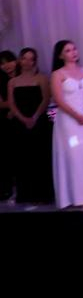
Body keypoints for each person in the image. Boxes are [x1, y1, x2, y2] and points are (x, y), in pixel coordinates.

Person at [50, 40, 83, 208]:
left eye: (74, 49)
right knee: (75, 157)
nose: (73, 52)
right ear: (60, 55)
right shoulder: (57, 74)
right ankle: (76, 196)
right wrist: (77, 116)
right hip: (69, 121)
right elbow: (59, 100)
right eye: (68, 50)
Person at [8, 48, 54, 203]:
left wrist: (34, 117)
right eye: (24, 58)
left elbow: (46, 99)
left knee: (40, 158)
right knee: (23, 158)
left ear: (35, 61)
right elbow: (12, 104)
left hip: (39, 122)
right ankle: (25, 194)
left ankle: (43, 194)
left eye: (31, 59)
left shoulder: (41, 78)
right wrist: (23, 119)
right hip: (19, 124)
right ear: (20, 60)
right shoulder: (12, 82)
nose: (27, 62)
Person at [0, 50, 18, 200]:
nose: (7, 66)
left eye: (9, 61)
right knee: (7, 154)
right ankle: (7, 188)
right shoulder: (1, 80)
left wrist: (14, 108)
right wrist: (13, 107)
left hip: (27, 117)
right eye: (2, 64)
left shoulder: (26, 74)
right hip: (5, 121)